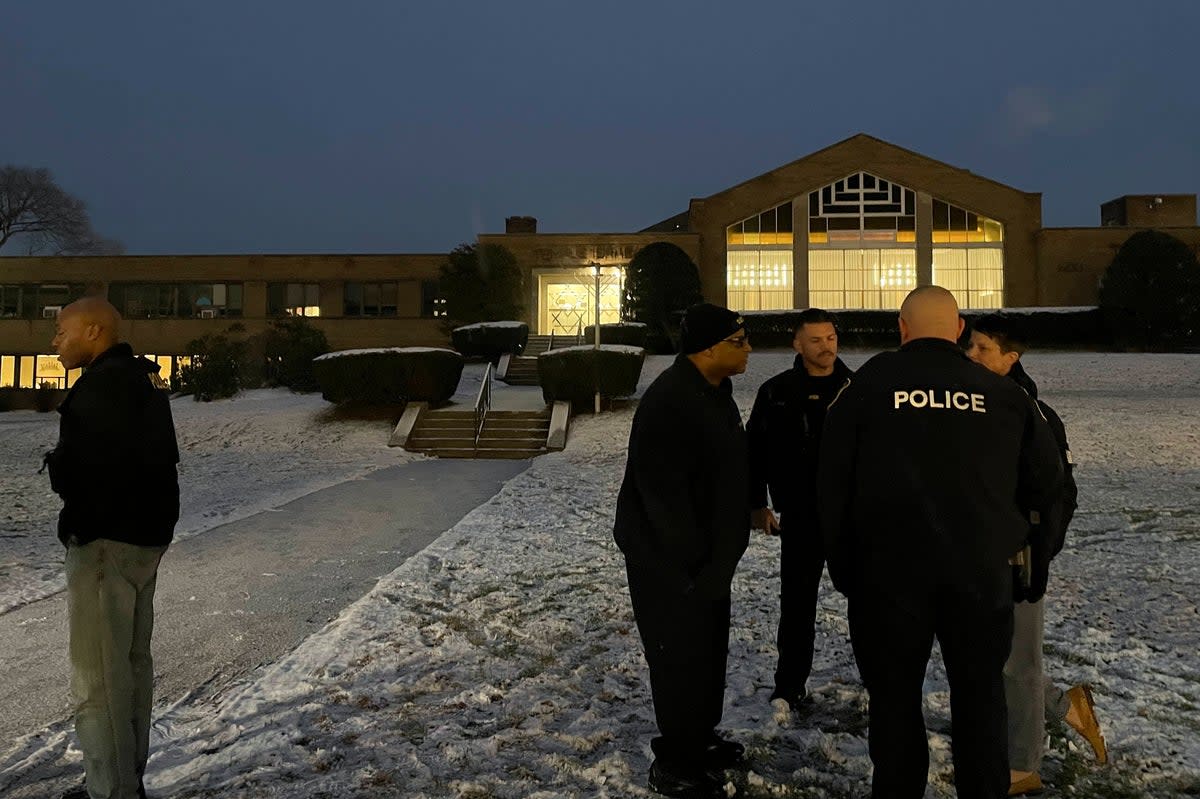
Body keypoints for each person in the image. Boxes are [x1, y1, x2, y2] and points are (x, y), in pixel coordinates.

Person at [818, 286, 1063, 799]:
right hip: (979, 576)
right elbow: (1051, 486)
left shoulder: (864, 388)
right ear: (957, 331)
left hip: (887, 579)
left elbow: (830, 486)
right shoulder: (1004, 395)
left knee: (894, 703)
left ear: (901, 329)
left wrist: (844, 567)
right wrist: (1033, 559)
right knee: (981, 702)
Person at [613, 303, 753, 799]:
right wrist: (695, 568)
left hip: (710, 560)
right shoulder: (671, 402)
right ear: (708, 349)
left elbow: (730, 468)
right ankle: (675, 761)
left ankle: (699, 738)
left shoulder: (715, 393)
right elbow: (661, 497)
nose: (748, 349)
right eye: (739, 341)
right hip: (672, 563)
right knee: (678, 658)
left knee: (708, 653)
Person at [43, 296, 180, 799]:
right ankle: (126, 781)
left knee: (97, 677)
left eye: (61, 330)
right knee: (131, 666)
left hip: (105, 544)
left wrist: (61, 474)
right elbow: (159, 462)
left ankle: (110, 790)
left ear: (94, 331)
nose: (54, 341)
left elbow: (87, 472)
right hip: (145, 540)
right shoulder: (143, 381)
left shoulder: (101, 387)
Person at [966, 314, 1107, 796]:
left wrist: (1038, 554)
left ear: (1012, 358)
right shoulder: (967, 405)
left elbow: (1059, 493)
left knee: (1017, 662)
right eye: (970, 347)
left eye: (984, 349)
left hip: (1019, 557)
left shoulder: (1034, 413)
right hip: (971, 555)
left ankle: (1022, 767)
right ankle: (1065, 705)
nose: (973, 356)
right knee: (986, 656)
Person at [746, 308, 853, 709]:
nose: (826, 347)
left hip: (849, 519)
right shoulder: (776, 392)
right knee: (796, 605)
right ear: (797, 344)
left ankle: (879, 682)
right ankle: (789, 685)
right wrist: (757, 504)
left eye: (830, 338)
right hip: (801, 517)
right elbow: (754, 451)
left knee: (865, 606)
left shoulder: (856, 389)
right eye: (816, 340)